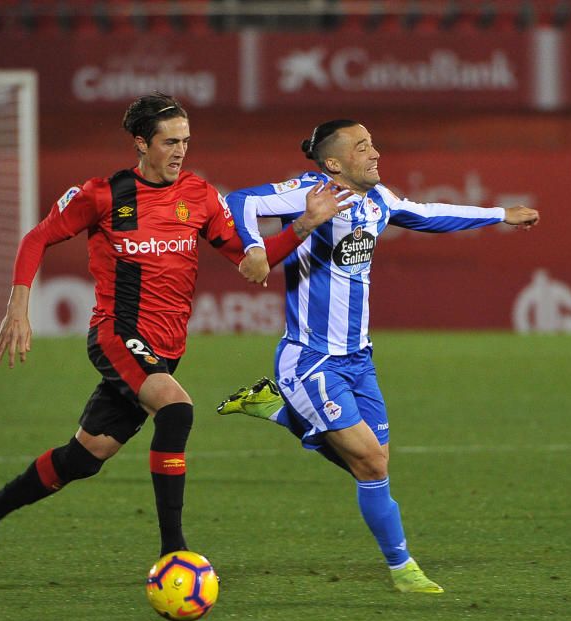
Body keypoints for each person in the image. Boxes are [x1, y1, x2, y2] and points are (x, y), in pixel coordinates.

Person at [0, 94, 352, 575]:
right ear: (142, 143)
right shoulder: (103, 195)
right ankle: (173, 552)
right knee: (177, 408)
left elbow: (252, 265)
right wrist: (18, 305)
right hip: (117, 335)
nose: (180, 151)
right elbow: (37, 237)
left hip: (166, 349)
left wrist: (305, 224)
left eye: (185, 141)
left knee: (85, 457)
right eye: (170, 142)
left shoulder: (201, 197)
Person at [217, 119, 539, 594]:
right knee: (370, 463)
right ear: (334, 162)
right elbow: (240, 201)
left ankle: (277, 411)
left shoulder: (378, 200)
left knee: (376, 462)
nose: (375, 153)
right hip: (310, 359)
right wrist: (254, 248)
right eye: (362, 146)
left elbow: (428, 213)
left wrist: (499, 215)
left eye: (373, 144)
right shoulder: (309, 191)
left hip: (359, 360)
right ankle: (403, 568)